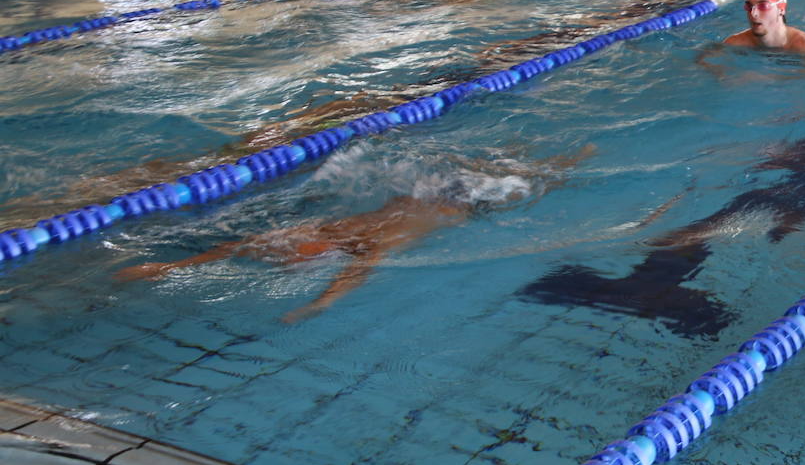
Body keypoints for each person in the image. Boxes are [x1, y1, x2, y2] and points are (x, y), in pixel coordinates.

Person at [117, 146, 593, 322]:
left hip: (463, 202)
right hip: (435, 193)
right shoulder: (329, 230)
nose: (284, 251)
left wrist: (320, 303)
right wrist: (171, 267)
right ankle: (558, 160)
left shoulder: (370, 242)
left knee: (535, 180)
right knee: (518, 171)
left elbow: (356, 276)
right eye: (292, 251)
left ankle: (572, 160)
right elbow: (239, 245)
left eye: (292, 252)